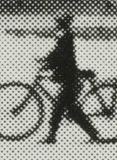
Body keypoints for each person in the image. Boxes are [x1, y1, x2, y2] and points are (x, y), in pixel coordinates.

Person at [38, 14, 101, 143]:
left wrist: (48, 62)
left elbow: (60, 55)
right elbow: (57, 53)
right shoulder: (64, 35)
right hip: (68, 76)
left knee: (61, 108)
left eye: (58, 23)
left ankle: (52, 136)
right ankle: (92, 133)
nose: (56, 25)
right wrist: (48, 60)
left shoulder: (65, 36)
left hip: (70, 77)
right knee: (69, 108)